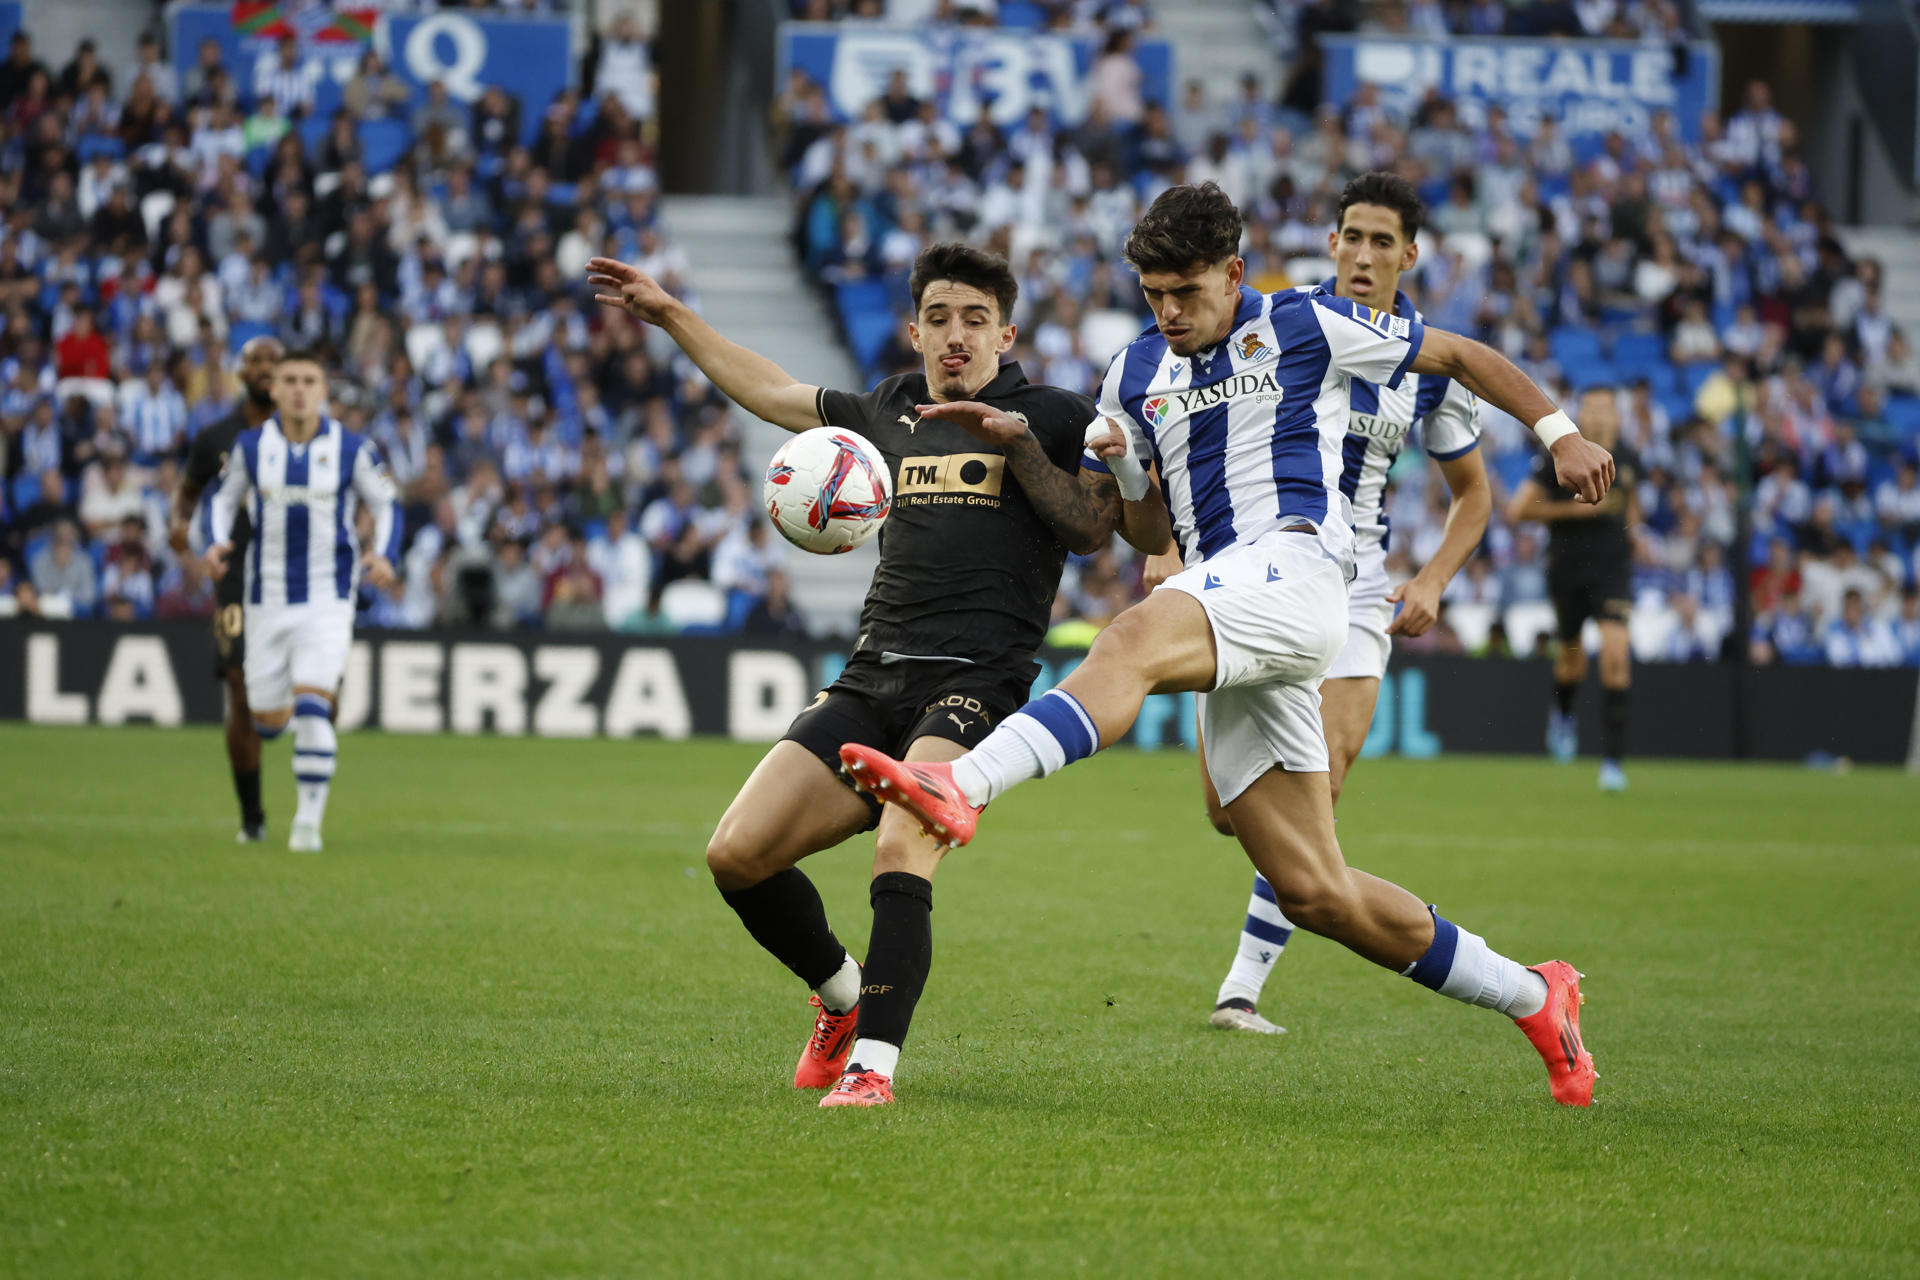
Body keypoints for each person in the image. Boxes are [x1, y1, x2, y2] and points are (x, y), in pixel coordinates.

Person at [842, 182, 1614, 1107]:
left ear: (1235, 275)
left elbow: (1459, 353)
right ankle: (1537, 996)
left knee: (1129, 636)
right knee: (1313, 891)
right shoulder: (1131, 372)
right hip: (1233, 601)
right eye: (1153, 294)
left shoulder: (1307, 324)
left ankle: (957, 784)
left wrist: (1557, 432)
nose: (1169, 313)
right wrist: (1119, 463)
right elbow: (1131, 524)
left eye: (1188, 293)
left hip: (1298, 571)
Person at [587, 243, 1157, 1108]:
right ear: (915, 330)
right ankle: (843, 1000)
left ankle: (871, 1072)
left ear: (1007, 331)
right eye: (938, 319)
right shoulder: (889, 408)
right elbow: (773, 391)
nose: (955, 337)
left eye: (973, 320)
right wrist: (669, 313)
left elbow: (1092, 528)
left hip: (976, 681)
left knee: (904, 842)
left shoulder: (1054, 412)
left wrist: (1020, 450)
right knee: (737, 855)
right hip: (869, 675)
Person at [1141, 173, 1494, 1036]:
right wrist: (1164, 545)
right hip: (1248, 572)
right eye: (1350, 236)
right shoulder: (1275, 322)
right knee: (1226, 815)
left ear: (1409, 255)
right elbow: (1177, 424)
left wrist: (1435, 578)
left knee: (1325, 783)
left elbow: (1475, 494)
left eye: (1382, 241)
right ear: (1330, 243)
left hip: (1357, 587)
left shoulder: (1430, 372)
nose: (1362, 254)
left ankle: (1242, 987)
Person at [198, 349, 400, 853]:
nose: (299, 389)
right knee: (267, 722)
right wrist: (216, 541)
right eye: (289, 380)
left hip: (328, 598)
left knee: (313, 707)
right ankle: (285, 726)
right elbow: (220, 501)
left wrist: (384, 553)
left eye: (309, 380)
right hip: (265, 599)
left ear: (323, 390)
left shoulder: (352, 448)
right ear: (273, 389)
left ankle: (307, 826)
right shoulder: (250, 446)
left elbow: (385, 502)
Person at [172, 335, 284, 843]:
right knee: (239, 689)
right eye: (256, 361)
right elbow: (187, 494)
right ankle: (253, 819)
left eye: (274, 361)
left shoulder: (308, 434)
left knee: (315, 696)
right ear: (240, 373)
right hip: (236, 576)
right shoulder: (216, 436)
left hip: (297, 574)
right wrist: (180, 534)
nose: (265, 368)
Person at [1507, 385, 1641, 792]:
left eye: (1607, 409)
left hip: (1613, 571)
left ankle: (1613, 761)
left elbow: (1630, 508)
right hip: (1567, 570)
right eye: (1593, 409)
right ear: (1581, 413)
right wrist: (1575, 509)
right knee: (1571, 658)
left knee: (1616, 652)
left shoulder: (1631, 457)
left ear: (1617, 416)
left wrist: (1636, 536)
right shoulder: (1560, 454)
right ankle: (1563, 713)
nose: (1600, 417)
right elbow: (1518, 510)